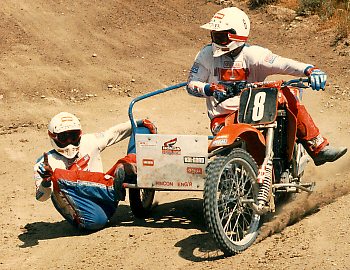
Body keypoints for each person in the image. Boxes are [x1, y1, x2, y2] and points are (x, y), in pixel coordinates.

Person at [186, 6, 347, 166]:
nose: (216, 41)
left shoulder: (254, 55)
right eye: (214, 35)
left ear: (237, 35)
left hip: (256, 113)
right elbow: (192, 84)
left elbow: (283, 64)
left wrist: (309, 70)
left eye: (221, 37)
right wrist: (209, 89)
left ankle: (317, 147)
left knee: (286, 93)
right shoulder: (206, 54)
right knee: (232, 157)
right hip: (223, 119)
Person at [33, 112, 156, 231]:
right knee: (58, 176)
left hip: (106, 202)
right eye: (64, 138)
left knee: (139, 138)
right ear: (53, 137)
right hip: (87, 214)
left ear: (79, 135)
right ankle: (112, 186)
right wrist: (46, 181)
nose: (69, 142)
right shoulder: (46, 163)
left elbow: (113, 133)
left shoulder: (89, 141)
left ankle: (118, 181)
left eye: (73, 136)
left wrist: (138, 123)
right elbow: (41, 197)